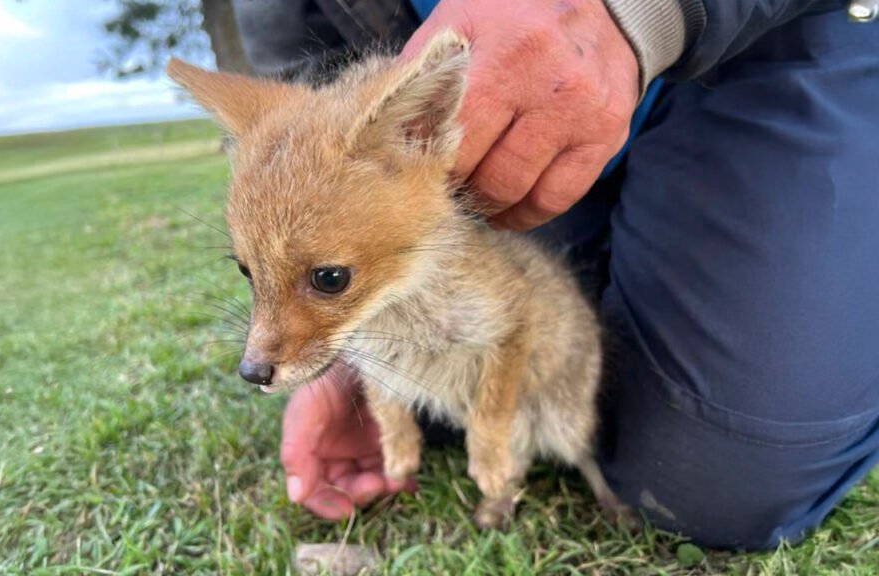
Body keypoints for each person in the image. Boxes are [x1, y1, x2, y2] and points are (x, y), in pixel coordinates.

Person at [231, 0, 879, 550]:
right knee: (440, 384)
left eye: (328, 280)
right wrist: (337, 362)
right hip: (482, 91)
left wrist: (633, 14)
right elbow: (301, 88)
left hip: (764, 39)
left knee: (722, 481)